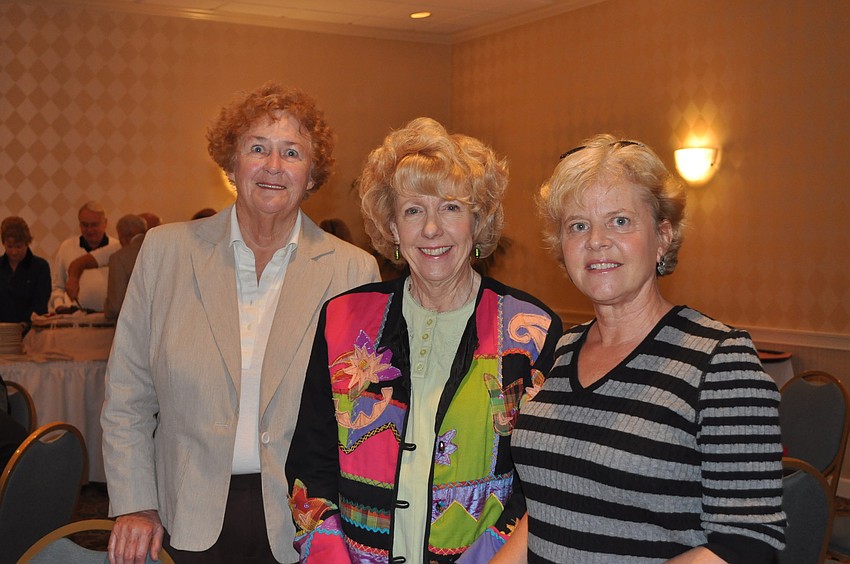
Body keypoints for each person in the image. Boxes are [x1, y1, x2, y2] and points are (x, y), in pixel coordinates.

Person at [101, 82, 380, 564]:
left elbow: (361, 417)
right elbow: (127, 396)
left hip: (305, 525)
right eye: (258, 148)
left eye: (292, 152)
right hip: (178, 517)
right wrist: (135, 504)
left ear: (312, 175)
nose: (274, 166)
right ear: (231, 164)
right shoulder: (165, 252)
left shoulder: (352, 272)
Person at [496, 135, 785, 563]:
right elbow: (547, 505)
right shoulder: (565, 347)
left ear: (663, 236)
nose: (596, 240)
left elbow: (747, 542)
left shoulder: (720, 359)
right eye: (578, 225)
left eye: (619, 221)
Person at [285, 117, 563, 563]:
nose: (431, 229)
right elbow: (311, 457)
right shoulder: (345, 318)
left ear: (478, 220)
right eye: (414, 210)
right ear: (393, 228)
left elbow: (540, 475)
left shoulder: (530, 330)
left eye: (451, 208)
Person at [50, 201, 120, 312]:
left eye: (94, 225)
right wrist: (59, 306)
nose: (90, 230)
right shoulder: (66, 247)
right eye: (85, 225)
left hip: (109, 319)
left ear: (105, 223)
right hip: (74, 319)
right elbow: (57, 286)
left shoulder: (117, 248)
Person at [0, 216, 50, 330]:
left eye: (18, 246)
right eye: (9, 246)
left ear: (27, 243)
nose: (14, 252)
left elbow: (41, 303)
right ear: (3, 243)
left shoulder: (40, 267)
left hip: (32, 331)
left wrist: (26, 323)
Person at [104, 214, 148, 321]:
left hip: (133, 328)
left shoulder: (119, 258)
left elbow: (116, 306)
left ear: (122, 237)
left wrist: (106, 309)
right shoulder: (164, 251)